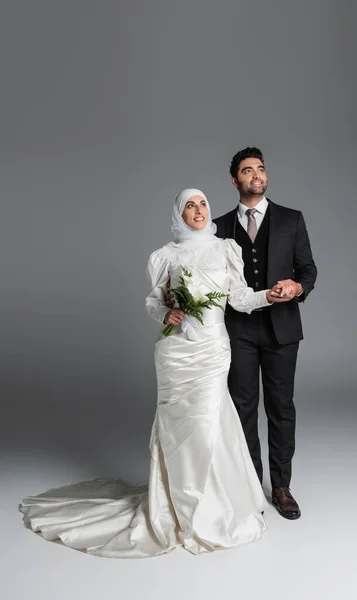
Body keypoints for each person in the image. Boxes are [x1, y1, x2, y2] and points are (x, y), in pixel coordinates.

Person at [19, 189, 273, 558]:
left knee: (208, 424)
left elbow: (240, 299)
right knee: (177, 428)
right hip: (174, 352)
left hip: (212, 349)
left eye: (202, 203)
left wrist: (272, 295)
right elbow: (153, 300)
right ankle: (177, 506)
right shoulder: (164, 256)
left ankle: (212, 507)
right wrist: (164, 314)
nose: (198, 210)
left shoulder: (226, 250)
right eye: (190, 205)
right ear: (179, 213)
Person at [213, 147, 317, 520]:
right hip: (237, 329)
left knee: (281, 407)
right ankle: (248, 485)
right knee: (243, 409)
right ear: (235, 181)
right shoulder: (220, 227)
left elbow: (308, 270)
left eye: (260, 168)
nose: (256, 174)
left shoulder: (292, 219)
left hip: (282, 329)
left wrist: (297, 288)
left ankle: (282, 487)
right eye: (247, 170)